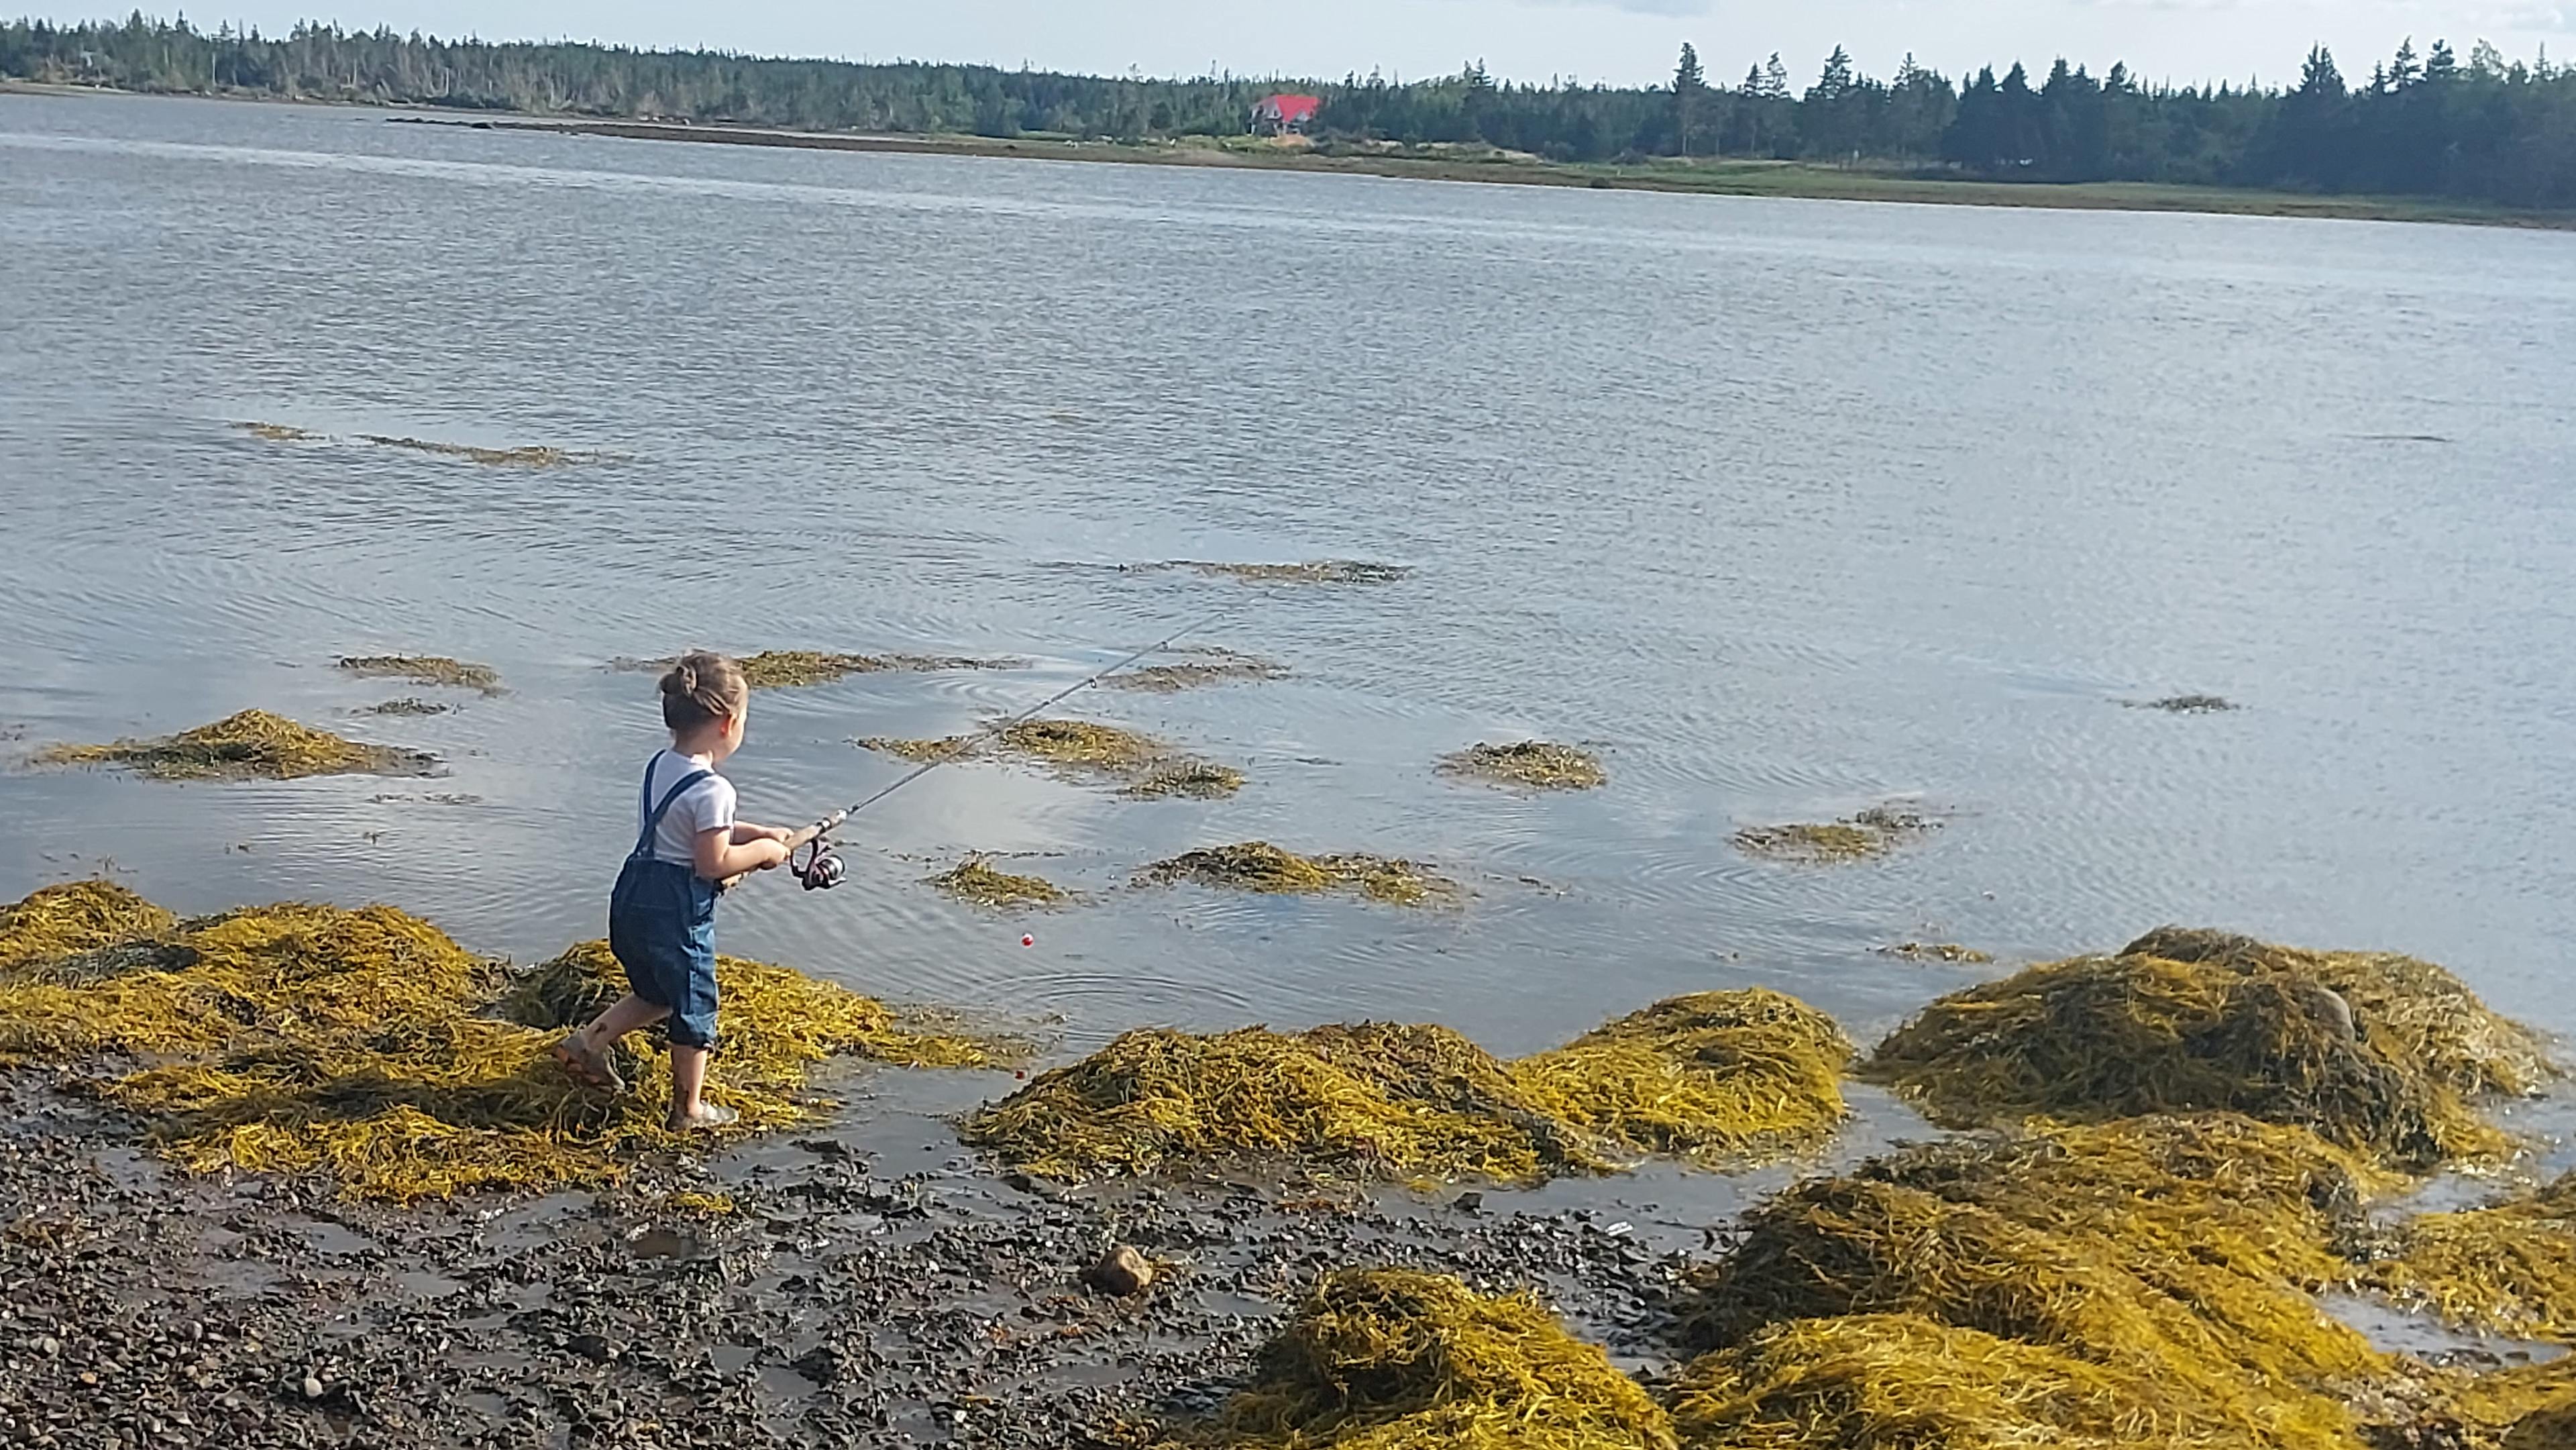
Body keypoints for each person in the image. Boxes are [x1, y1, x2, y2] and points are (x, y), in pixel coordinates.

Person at [553, 652, 795, 1129]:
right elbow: (713, 862)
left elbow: (689, 826)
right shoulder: (716, 789)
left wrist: (760, 831)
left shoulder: (663, 764)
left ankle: (589, 1042)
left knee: (655, 990)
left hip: (633, 894)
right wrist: (765, 854)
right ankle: (688, 1109)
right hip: (675, 909)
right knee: (694, 1002)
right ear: (728, 723)